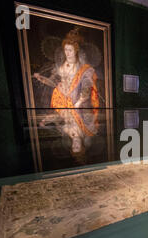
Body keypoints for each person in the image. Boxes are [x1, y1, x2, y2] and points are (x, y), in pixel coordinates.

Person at [34, 27, 100, 157]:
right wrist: (41, 78)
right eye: (65, 50)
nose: (67, 53)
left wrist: (79, 102)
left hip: (76, 101)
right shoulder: (62, 65)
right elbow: (54, 83)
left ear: (75, 50)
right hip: (61, 98)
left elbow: (86, 85)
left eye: (70, 50)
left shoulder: (82, 68)